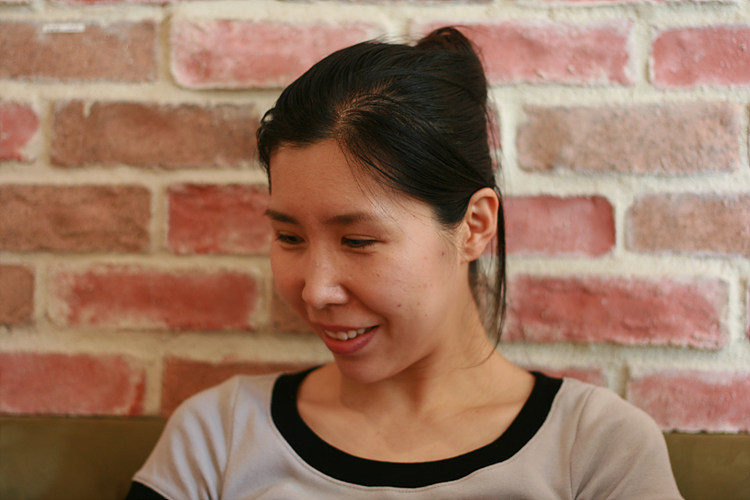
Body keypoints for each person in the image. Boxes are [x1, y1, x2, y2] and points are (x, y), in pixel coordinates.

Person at [126, 27, 683, 499]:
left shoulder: (596, 450)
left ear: (474, 226)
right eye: (289, 236)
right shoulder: (217, 438)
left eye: (358, 241)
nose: (316, 290)